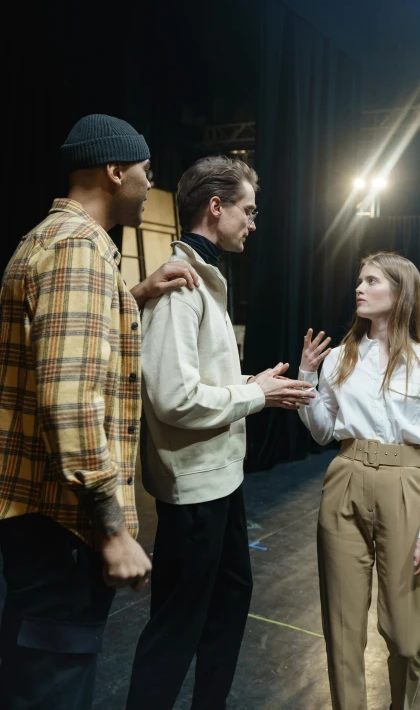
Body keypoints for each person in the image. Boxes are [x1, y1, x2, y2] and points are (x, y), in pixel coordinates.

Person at [0, 114, 200, 710]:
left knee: (36, 674)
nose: (147, 183)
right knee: (53, 688)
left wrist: (136, 295)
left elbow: (70, 345)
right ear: (116, 171)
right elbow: (70, 396)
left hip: (40, 516)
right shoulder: (79, 252)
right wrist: (111, 527)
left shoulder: (53, 241)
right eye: (144, 172)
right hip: (62, 522)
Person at [126, 155, 314, 710]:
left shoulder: (207, 280)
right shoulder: (182, 287)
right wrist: (257, 395)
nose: (253, 223)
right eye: (247, 210)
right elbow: (174, 398)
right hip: (194, 491)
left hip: (222, 482)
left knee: (231, 602)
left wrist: (247, 381)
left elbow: (201, 380)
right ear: (216, 207)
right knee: (177, 627)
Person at [298, 252, 420, 710]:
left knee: (407, 639)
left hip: (407, 485)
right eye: (359, 280)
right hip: (345, 478)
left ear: (400, 292)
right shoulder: (338, 358)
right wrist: (308, 375)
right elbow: (324, 431)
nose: (359, 289)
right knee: (343, 628)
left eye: (372, 281)